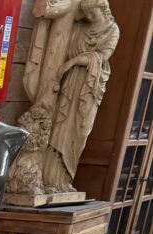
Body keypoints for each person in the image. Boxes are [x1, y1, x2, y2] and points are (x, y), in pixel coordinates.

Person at [45, 0, 120, 193]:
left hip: (88, 87)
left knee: (79, 130)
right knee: (58, 127)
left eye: (92, 13)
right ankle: (48, 179)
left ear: (101, 9)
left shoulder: (112, 30)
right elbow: (62, 44)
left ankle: (63, 180)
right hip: (69, 84)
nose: (89, 18)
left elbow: (102, 57)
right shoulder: (80, 27)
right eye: (85, 14)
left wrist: (72, 62)